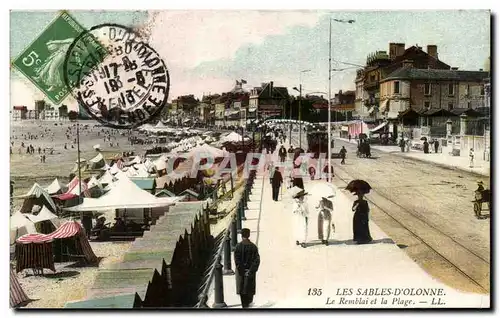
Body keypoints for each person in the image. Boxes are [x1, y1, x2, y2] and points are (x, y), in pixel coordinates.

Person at [234, 228, 260, 308]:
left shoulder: (238, 247)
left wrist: (242, 270)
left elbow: (237, 260)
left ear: (241, 235)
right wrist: (251, 270)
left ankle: (244, 307)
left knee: (242, 291)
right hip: (250, 273)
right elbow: (257, 260)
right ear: (248, 235)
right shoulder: (253, 247)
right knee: (250, 290)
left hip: (241, 273)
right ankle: (249, 305)